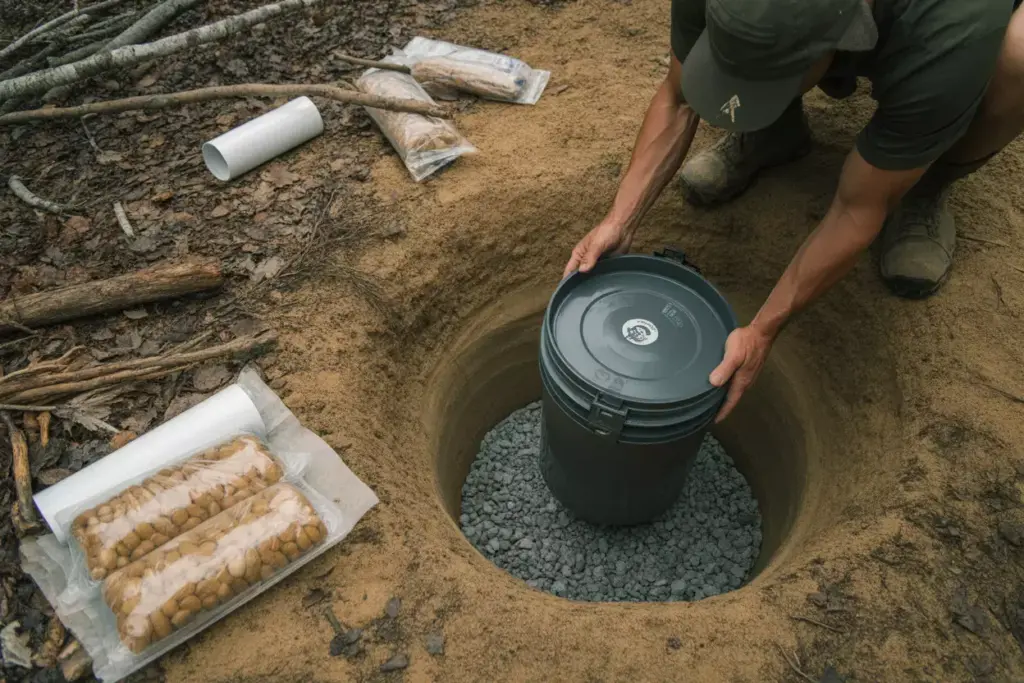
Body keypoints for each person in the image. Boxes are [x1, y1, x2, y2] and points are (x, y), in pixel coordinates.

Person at [563, 0, 1024, 423]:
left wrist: (762, 329)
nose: (732, 102)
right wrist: (618, 220)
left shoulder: (948, 26)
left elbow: (856, 207)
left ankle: (924, 181)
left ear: (839, 48)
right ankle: (774, 134)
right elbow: (680, 95)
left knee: (1017, 58)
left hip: (955, 26)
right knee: (758, 61)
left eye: (756, 87)